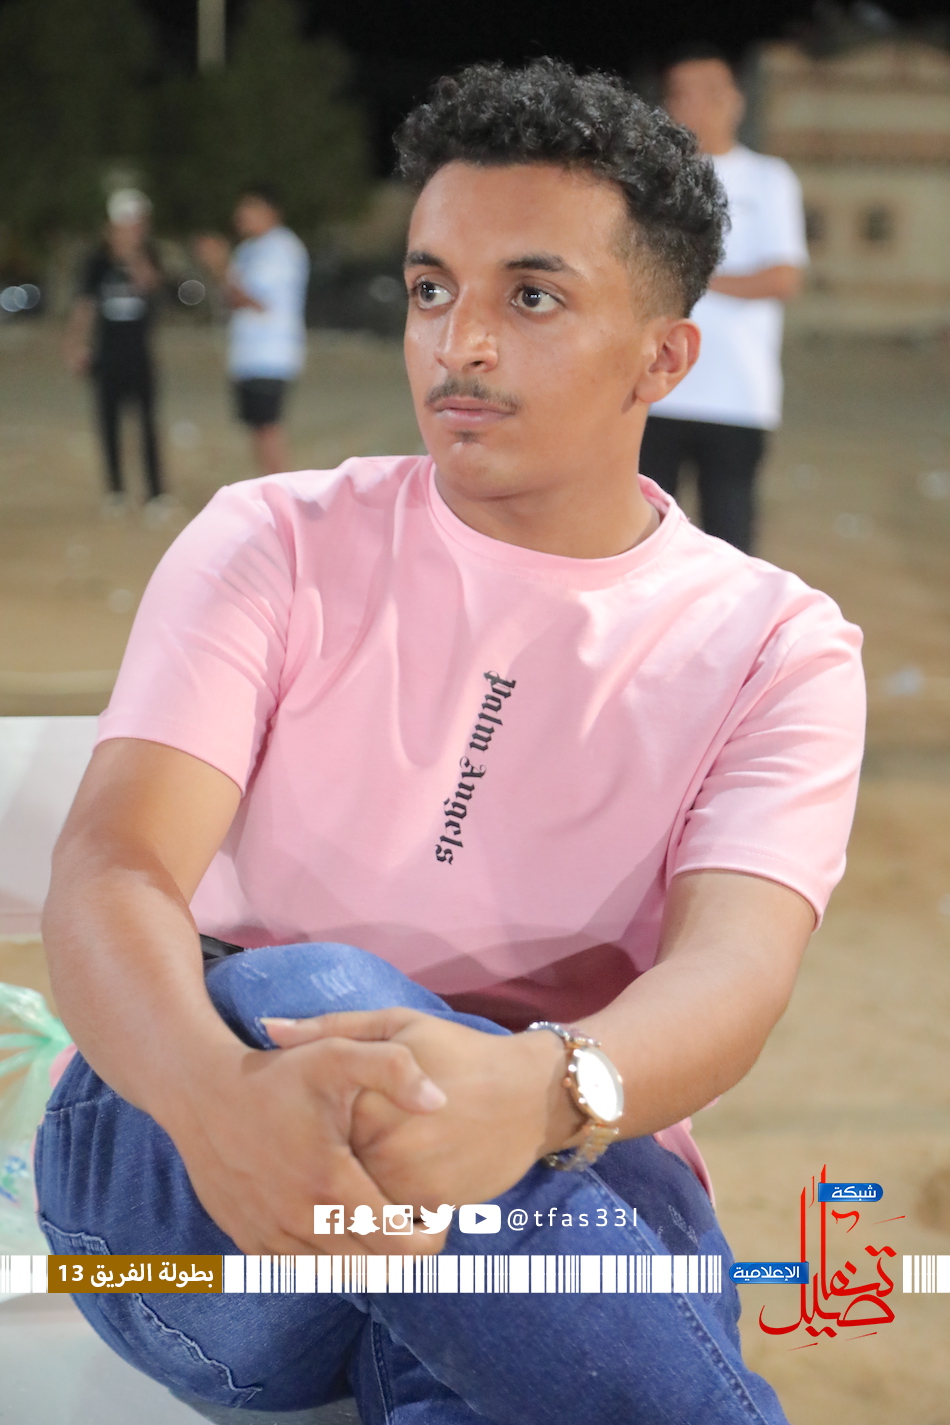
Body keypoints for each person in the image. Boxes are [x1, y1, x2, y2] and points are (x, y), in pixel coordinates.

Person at [36, 60, 865, 1425]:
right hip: (191, 1163)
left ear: (662, 358)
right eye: (430, 289)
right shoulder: (275, 541)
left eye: (529, 297)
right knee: (317, 988)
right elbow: (113, 866)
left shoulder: (775, 645)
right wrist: (213, 1094)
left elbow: (735, 969)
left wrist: (543, 1090)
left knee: (555, 1269)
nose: (456, 343)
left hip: (552, 1168)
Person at [639, 49, 809, 553]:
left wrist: (686, 277)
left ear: (736, 100)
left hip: (737, 397)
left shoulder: (768, 179)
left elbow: (782, 278)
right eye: (681, 94)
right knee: (644, 539)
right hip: (654, 388)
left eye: (709, 94)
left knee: (729, 540)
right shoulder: (651, 182)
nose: (694, 106)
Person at [64, 189, 172, 521]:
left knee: (147, 425)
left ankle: (156, 494)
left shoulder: (149, 255)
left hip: (140, 355)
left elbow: (151, 286)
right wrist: (75, 345)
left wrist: (132, 256)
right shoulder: (96, 262)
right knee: (108, 424)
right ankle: (116, 492)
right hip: (106, 355)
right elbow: (84, 306)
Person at [195, 186, 310, 477]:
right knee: (257, 429)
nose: (241, 215)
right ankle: (267, 487)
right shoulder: (248, 250)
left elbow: (254, 300)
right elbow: (229, 296)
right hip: (247, 356)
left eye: (249, 208)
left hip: (271, 355)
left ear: (270, 211)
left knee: (269, 429)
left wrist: (219, 264)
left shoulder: (282, 248)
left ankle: (279, 490)